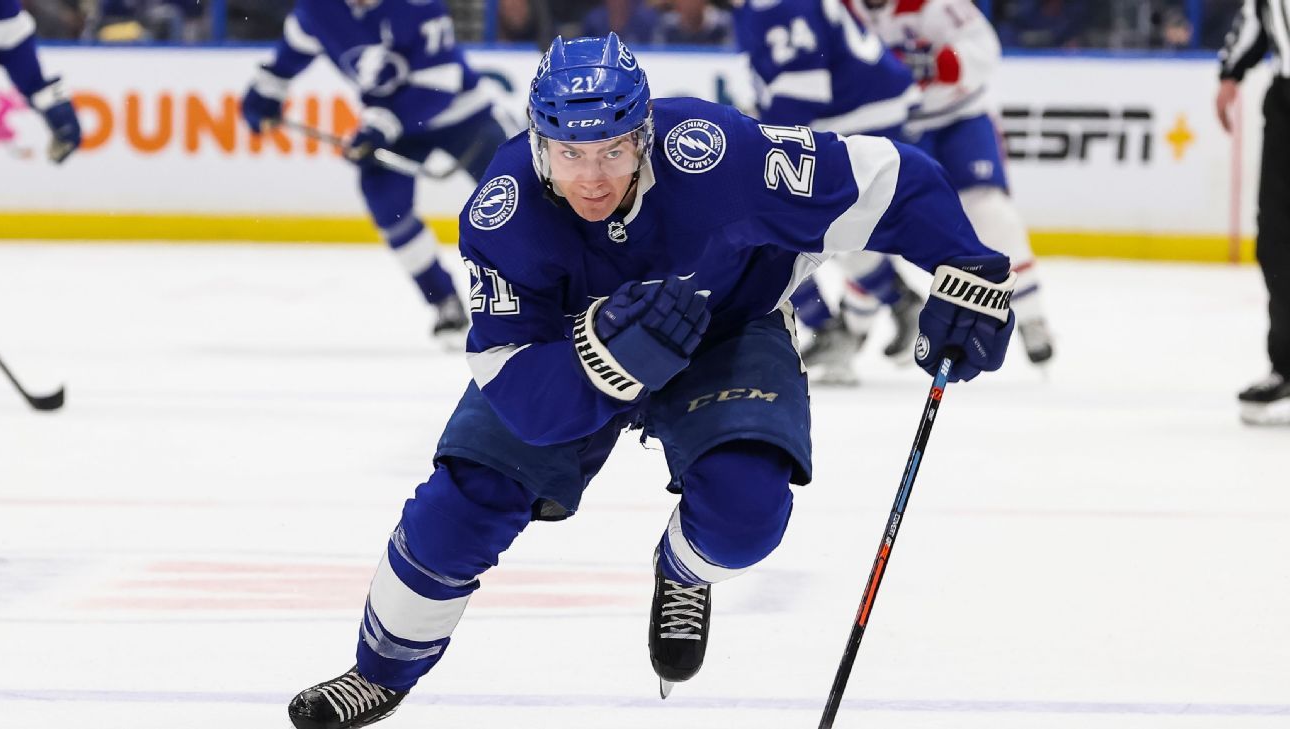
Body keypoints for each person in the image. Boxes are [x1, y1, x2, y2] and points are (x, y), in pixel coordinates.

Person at [286, 33, 1018, 729]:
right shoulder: (501, 216)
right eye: (571, 153)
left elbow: (887, 180)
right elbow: (520, 391)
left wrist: (967, 267)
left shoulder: (717, 154)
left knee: (745, 509)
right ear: (540, 144)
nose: (594, 176)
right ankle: (380, 670)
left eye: (613, 148)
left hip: (726, 327)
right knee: (462, 505)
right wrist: (604, 357)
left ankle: (683, 569)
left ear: (644, 133)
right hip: (562, 355)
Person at [239, 0, 512, 342]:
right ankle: (443, 301)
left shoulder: (419, 4)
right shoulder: (318, 8)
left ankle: (554, 293)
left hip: (464, 119)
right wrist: (266, 91)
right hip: (395, 128)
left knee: (521, 202)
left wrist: (380, 124)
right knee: (386, 203)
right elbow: (291, 55)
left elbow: (439, 87)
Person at [729, 0, 925, 383]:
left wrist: (760, 149)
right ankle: (891, 306)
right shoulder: (755, 7)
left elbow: (801, 93)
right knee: (809, 224)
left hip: (860, 119)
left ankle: (833, 325)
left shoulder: (778, 4)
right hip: (862, 112)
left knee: (771, 219)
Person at [859, 0, 1056, 365]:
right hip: (893, 123)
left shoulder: (934, 4)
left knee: (988, 209)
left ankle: (1031, 314)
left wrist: (941, 64)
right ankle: (856, 321)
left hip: (959, 119)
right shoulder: (839, 9)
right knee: (865, 215)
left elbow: (983, 48)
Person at [1216, 0, 1290, 425]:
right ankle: (1286, 365)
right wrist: (1230, 73)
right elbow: (1257, 14)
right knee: (1278, 240)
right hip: (1286, 103)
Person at [0, 0, 80, 163]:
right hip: (13, 28)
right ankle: (67, 129)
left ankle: (67, 129)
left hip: (11, 27)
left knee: (37, 88)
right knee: (37, 88)